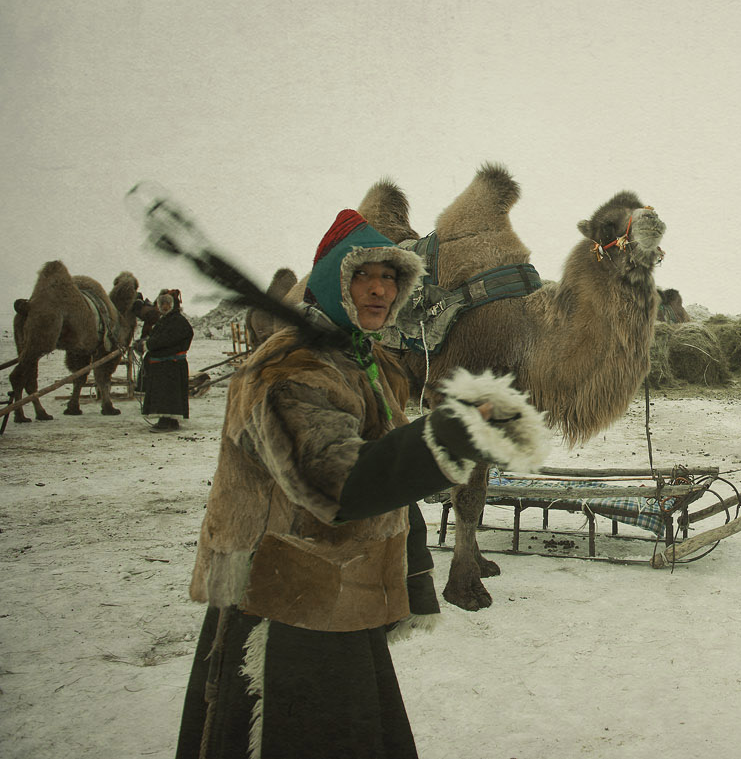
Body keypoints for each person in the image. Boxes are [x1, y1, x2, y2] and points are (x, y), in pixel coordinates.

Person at [174, 209, 550, 759]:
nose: (379, 289)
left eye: (391, 278)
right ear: (333, 282)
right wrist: (458, 430)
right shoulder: (290, 372)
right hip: (281, 606)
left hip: (332, 595)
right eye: (363, 276)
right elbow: (341, 484)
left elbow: (378, 461)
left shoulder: (353, 361)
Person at [140, 289, 194, 430]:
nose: (164, 306)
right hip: (167, 365)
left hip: (171, 365)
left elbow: (164, 340)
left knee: (167, 394)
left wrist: (148, 345)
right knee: (167, 393)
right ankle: (169, 420)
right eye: (162, 304)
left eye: (167, 304)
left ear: (172, 305)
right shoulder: (166, 320)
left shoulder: (177, 321)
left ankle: (167, 421)